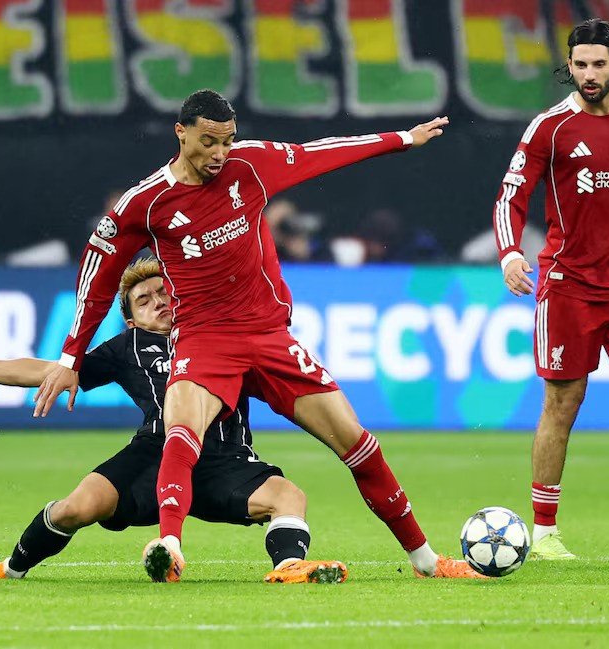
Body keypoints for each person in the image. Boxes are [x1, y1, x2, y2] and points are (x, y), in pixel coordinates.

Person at [34, 90, 483, 582]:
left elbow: (322, 152)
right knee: (180, 433)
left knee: (359, 444)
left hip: (268, 335)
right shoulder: (146, 202)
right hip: (204, 339)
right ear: (180, 133)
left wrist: (402, 139)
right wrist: (70, 355)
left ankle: (425, 561)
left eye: (227, 140)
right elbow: (98, 274)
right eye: (208, 141)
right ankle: (168, 545)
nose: (219, 154)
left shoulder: (249, 166)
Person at [0, 258, 347, 584]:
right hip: (152, 456)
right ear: (130, 317)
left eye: (164, 293)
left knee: (289, 495)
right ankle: (8, 569)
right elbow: (48, 372)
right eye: (144, 299)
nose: (158, 302)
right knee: (75, 508)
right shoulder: (128, 347)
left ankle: (289, 566)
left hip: (222, 459)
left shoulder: (224, 332)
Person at [492, 19, 609, 560]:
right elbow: (510, 196)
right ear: (571, 66)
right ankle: (546, 532)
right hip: (568, 285)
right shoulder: (549, 128)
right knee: (563, 401)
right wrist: (510, 253)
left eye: (599, 64)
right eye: (580, 65)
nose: (589, 74)